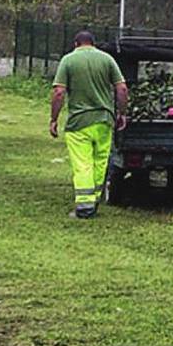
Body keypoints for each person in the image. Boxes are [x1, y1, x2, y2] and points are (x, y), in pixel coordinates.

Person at [50, 31, 128, 219]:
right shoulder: (107, 59)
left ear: (76, 43)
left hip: (79, 122)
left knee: (83, 163)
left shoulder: (68, 60)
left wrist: (54, 118)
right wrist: (121, 113)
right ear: (93, 43)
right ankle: (94, 200)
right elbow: (122, 88)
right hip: (104, 120)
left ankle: (84, 207)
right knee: (100, 162)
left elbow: (59, 93)